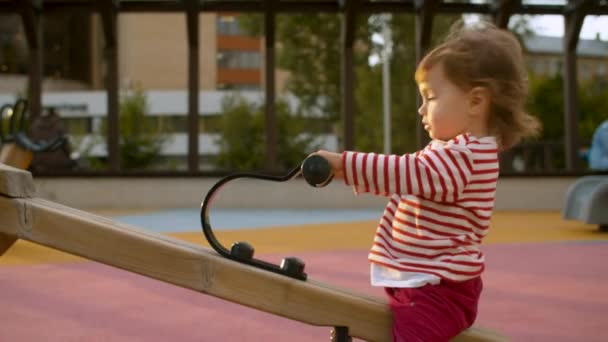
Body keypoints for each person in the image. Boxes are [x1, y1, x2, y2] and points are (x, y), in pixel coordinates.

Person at [313, 21, 540, 341]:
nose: (422, 109)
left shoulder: (466, 155)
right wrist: (346, 172)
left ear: (476, 102)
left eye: (431, 97)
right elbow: (412, 177)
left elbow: (412, 173)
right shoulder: (457, 151)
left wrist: (345, 164)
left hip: (437, 292)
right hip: (424, 285)